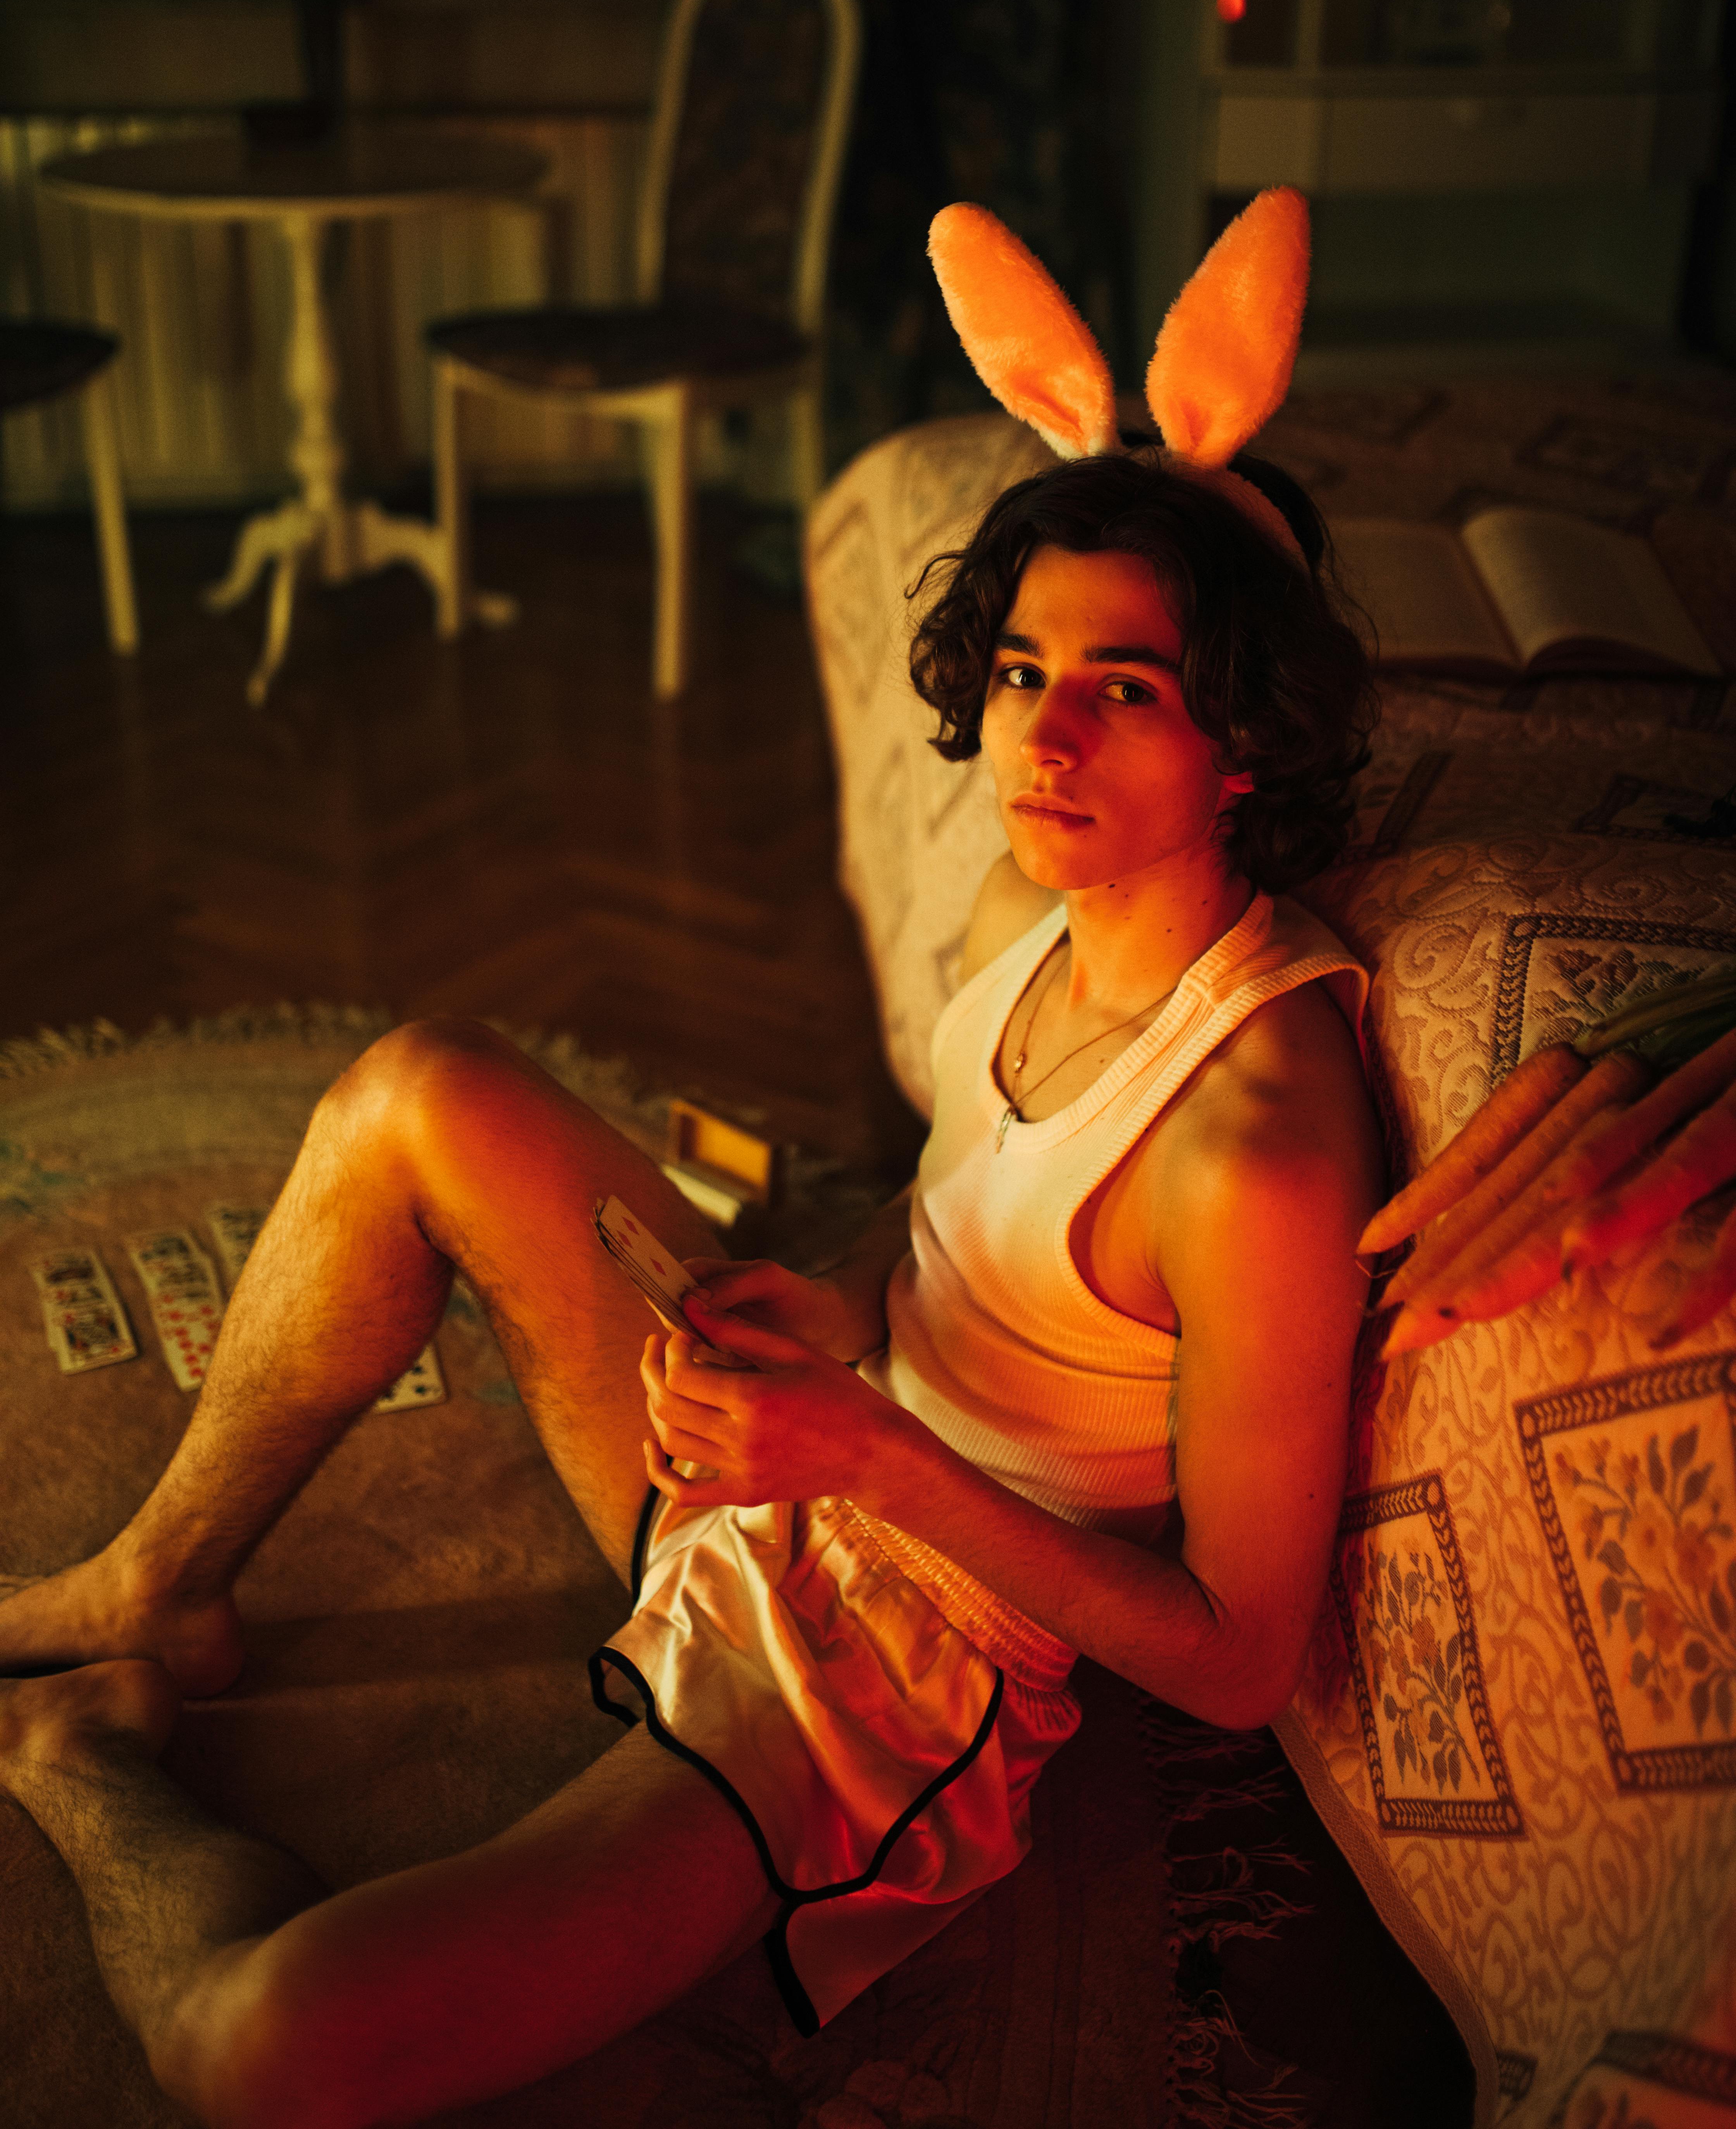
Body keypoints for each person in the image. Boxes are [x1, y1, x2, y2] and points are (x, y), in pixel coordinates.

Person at [0, 192, 1385, 2129]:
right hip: (811, 1451)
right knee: (425, 1086)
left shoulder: (1257, 1137)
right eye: (1016, 671)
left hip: (898, 1669)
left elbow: (1240, 1660)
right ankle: (158, 1580)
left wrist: (867, 1453)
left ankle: (79, 1762)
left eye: (1124, 690)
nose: (1038, 739)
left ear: (1245, 738)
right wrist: (823, 1310)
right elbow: (963, 1214)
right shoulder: (1027, 898)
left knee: (267, 2053)